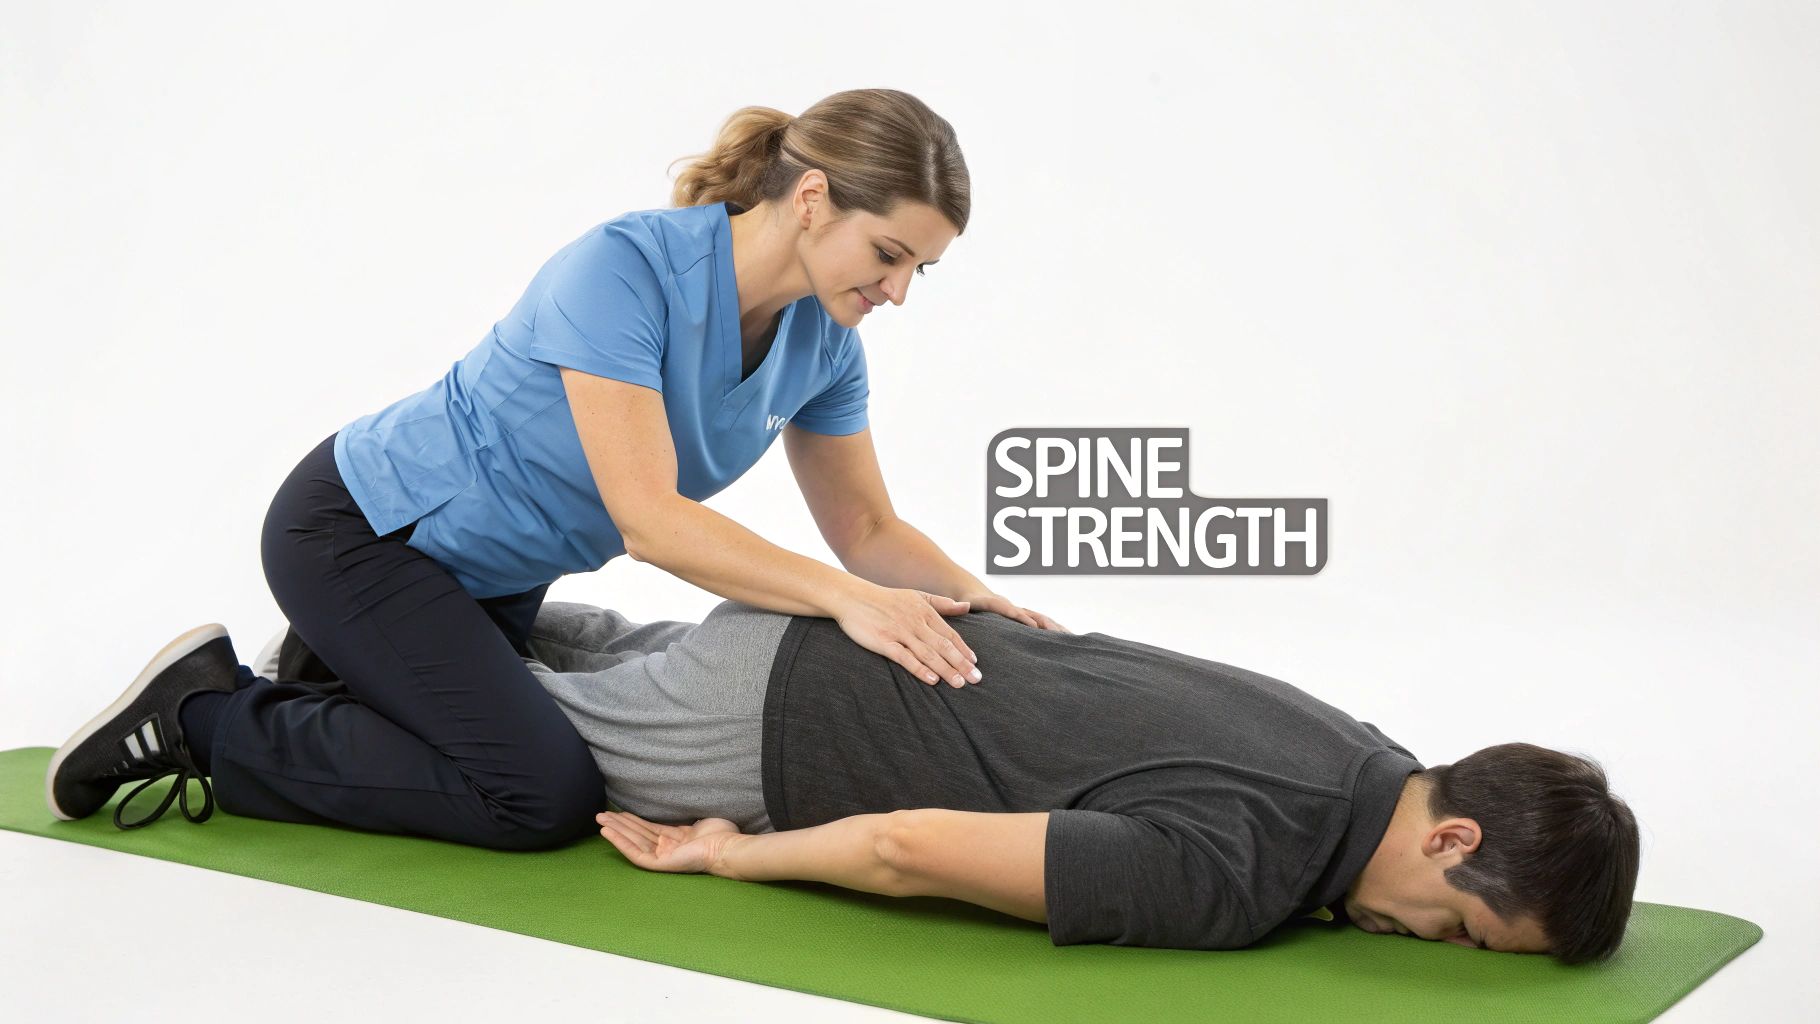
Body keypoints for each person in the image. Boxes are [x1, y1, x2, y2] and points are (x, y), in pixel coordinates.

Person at [45, 88, 1066, 849]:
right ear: (810, 199)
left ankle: (327, 674)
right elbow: (649, 520)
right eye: (888, 254)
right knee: (539, 797)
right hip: (366, 533)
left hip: (494, 582)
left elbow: (868, 530)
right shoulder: (627, 269)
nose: (898, 291)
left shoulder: (826, 347)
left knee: (520, 751)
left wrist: (979, 604)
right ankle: (201, 714)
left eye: (919, 269)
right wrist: (849, 601)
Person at [487, 597, 1636, 965]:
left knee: (576, 638)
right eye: (1461, 931)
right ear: (1450, 840)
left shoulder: (1356, 749)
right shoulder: (1238, 873)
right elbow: (905, 846)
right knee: (479, 721)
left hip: (832, 624)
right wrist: (729, 852)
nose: (1433, 943)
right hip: (765, 724)